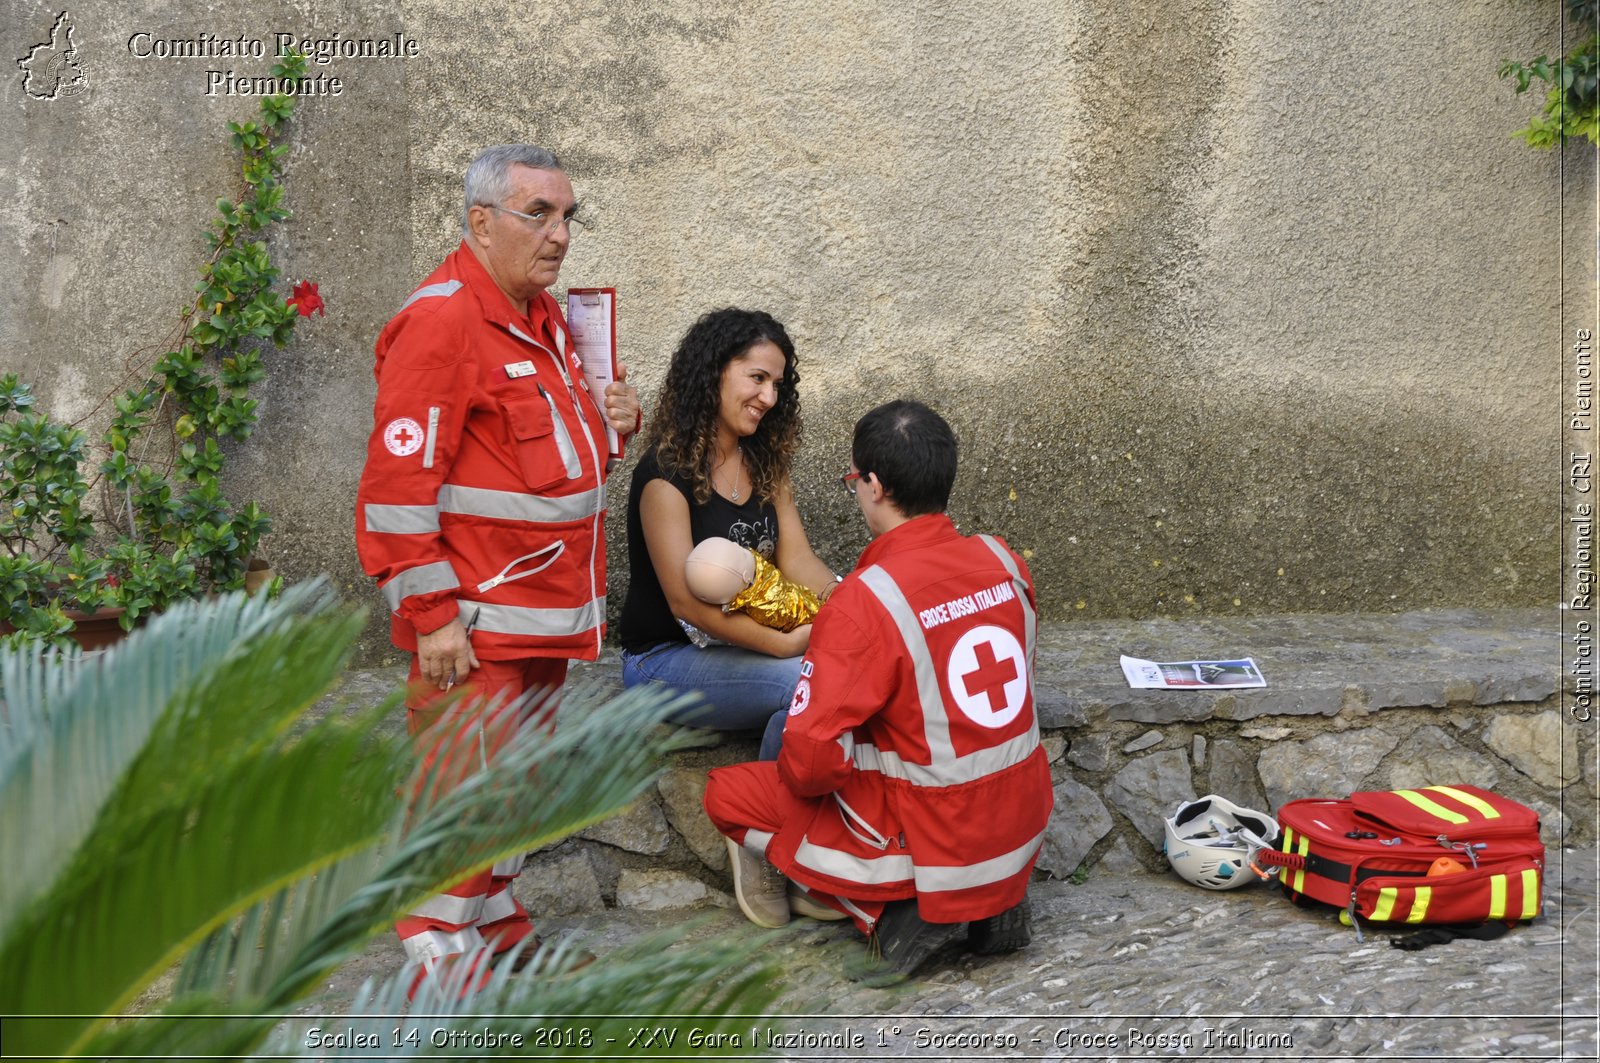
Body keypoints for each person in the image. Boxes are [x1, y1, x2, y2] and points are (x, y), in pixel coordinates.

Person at [354, 144, 640, 989]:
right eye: (538, 214)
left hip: (541, 618)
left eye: (567, 216)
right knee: (463, 793)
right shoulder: (444, 321)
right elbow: (395, 488)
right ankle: (441, 961)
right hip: (476, 624)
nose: (559, 234)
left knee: (518, 791)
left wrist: (611, 426)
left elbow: (544, 465)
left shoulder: (542, 317)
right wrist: (433, 614)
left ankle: (498, 931)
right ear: (482, 222)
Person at [702, 400, 1054, 978]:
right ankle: (996, 899)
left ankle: (896, 910)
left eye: (853, 478)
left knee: (730, 793)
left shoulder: (868, 599)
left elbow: (812, 760)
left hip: (933, 838)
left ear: (873, 485)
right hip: (1019, 824)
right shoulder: (1004, 562)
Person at [618, 308, 838, 756]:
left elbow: (797, 562)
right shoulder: (664, 474)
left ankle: (774, 814)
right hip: (663, 659)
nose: (769, 397)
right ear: (713, 373)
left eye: (777, 385)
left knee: (815, 700)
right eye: (757, 378)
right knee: (809, 683)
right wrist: (785, 644)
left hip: (745, 647)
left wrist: (850, 603)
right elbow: (685, 605)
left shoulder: (766, 465)